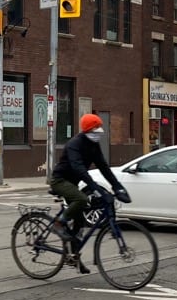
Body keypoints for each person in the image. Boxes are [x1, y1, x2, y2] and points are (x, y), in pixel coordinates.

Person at [49, 114, 130, 274]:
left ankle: (74, 257)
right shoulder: (75, 144)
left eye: (99, 129)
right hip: (60, 181)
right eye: (95, 129)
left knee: (79, 222)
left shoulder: (93, 145)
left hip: (73, 183)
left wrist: (117, 186)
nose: (98, 132)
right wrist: (96, 189)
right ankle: (58, 223)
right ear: (87, 130)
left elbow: (103, 167)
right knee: (82, 198)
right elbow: (79, 168)